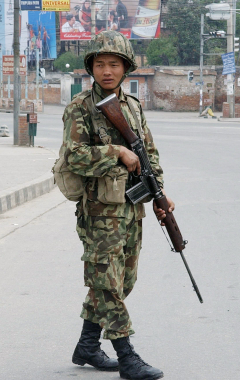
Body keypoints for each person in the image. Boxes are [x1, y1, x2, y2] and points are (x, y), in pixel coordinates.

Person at [61, 30, 170, 380]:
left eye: (114, 64)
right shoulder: (80, 107)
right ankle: (127, 355)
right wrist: (115, 152)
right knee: (107, 281)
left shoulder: (133, 107)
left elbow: (149, 155)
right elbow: (74, 156)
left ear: (126, 68)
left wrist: (159, 195)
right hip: (99, 210)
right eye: (100, 64)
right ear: (90, 68)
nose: (106, 71)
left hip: (130, 208)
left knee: (122, 280)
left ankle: (88, 345)